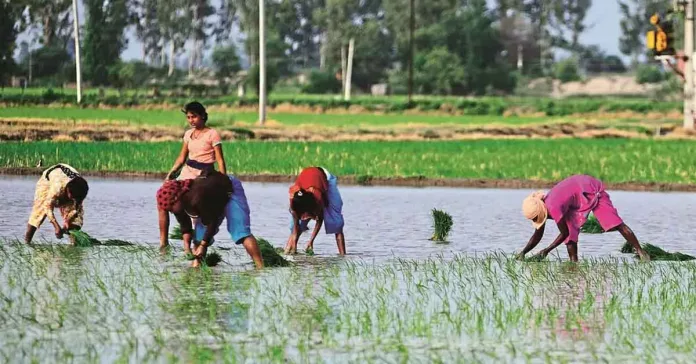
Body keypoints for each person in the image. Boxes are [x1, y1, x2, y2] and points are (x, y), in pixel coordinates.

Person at [516, 174, 650, 262]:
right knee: (571, 233)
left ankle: (641, 251)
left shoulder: (553, 207)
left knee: (614, 223)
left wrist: (546, 251)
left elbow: (564, 233)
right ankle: (574, 264)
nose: (538, 221)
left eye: (537, 218)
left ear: (542, 210)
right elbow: (538, 234)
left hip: (589, 189)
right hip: (575, 195)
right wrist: (523, 253)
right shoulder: (545, 206)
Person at [156, 170, 263, 268]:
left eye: (171, 207)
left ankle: (260, 268)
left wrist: (203, 245)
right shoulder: (179, 204)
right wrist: (187, 248)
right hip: (211, 196)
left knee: (240, 232)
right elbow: (185, 225)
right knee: (198, 238)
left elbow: (212, 222)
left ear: (176, 198)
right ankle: (196, 270)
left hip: (229, 190)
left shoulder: (198, 198)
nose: (170, 211)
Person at [285, 166, 346, 255]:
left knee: (335, 221)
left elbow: (320, 219)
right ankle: (289, 250)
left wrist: (311, 241)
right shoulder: (294, 198)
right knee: (293, 226)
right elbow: (295, 221)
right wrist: (294, 235)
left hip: (324, 178)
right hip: (308, 182)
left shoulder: (317, 197)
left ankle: (343, 256)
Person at [25, 163, 89, 244]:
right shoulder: (57, 187)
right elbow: (47, 207)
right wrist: (56, 226)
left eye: (76, 199)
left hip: (68, 184)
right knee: (38, 213)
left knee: (76, 220)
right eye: (72, 198)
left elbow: (76, 209)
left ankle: (73, 244)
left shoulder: (80, 189)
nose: (74, 200)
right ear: (68, 191)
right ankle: (27, 242)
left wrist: (67, 222)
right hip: (47, 182)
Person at [165, 101, 226, 181]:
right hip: (187, 172)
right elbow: (181, 158)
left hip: (205, 173)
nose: (191, 120)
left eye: (194, 117)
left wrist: (224, 180)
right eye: (188, 117)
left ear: (203, 116)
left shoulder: (212, 134)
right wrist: (170, 174)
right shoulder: (188, 134)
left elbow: (220, 160)